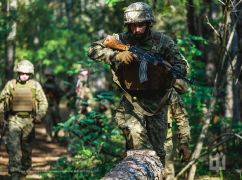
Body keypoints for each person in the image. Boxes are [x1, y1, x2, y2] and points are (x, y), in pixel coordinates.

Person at [88, 2, 188, 165]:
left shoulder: (163, 41)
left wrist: (172, 70)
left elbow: (181, 64)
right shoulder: (121, 39)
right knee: (138, 148)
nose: (136, 30)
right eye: (132, 26)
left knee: (158, 152)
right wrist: (116, 56)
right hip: (132, 101)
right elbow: (93, 50)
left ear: (149, 23)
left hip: (158, 103)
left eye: (140, 25)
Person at [0, 60, 48, 179]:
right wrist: (1, 117)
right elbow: (1, 101)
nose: (24, 76)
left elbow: (43, 102)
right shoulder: (11, 84)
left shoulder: (35, 85)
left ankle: (24, 169)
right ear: (18, 72)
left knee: (26, 149)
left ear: (30, 74)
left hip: (29, 121)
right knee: (13, 147)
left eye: (26, 74)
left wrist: (39, 116)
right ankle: (15, 172)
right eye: (22, 73)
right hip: (14, 120)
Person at [164, 80, 191, 179]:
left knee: (167, 173)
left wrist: (184, 143)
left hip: (163, 142)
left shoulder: (169, 92)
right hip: (147, 143)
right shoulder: (137, 89)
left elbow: (181, 118)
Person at [43, 68, 62, 142]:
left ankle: (56, 135)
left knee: (56, 121)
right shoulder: (44, 85)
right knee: (47, 121)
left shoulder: (56, 85)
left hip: (54, 104)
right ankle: (48, 135)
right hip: (47, 105)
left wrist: (55, 95)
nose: (49, 77)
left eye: (51, 76)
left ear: (53, 76)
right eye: (48, 76)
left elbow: (60, 94)